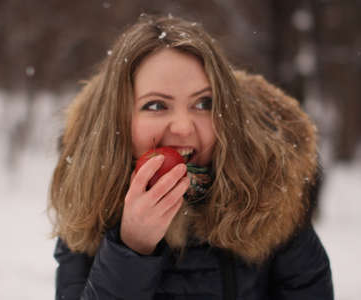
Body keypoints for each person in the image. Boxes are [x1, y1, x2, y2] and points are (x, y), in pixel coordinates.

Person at [48, 14, 333, 300]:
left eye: (204, 103)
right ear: (118, 120)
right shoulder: (88, 204)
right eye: (156, 105)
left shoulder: (270, 189)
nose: (183, 127)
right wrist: (131, 248)